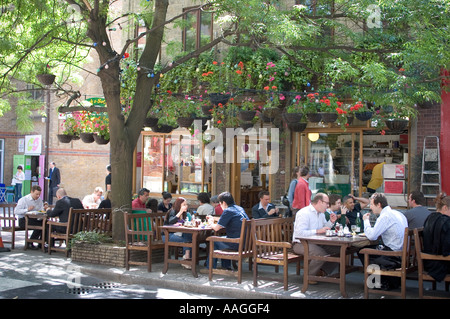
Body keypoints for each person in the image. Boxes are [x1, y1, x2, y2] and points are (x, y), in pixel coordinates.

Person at [359, 193, 408, 290]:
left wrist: (366, 221)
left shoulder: (385, 216)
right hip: (402, 252)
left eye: (372, 205)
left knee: (362, 251)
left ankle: (378, 283)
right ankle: (387, 281)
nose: (370, 207)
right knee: (370, 249)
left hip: (393, 255)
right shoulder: (398, 213)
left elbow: (372, 236)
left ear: (379, 205)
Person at [292, 193, 339, 281]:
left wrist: (331, 222)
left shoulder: (321, 214)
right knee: (320, 253)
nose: (328, 205)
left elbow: (324, 228)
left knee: (338, 250)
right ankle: (309, 277)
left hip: (317, 242)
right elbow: (299, 234)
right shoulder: (304, 213)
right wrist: (317, 231)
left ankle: (322, 271)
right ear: (319, 202)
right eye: (327, 203)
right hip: (300, 244)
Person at [206, 192, 249, 270]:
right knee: (223, 239)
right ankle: (226, 266)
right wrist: (214, 218)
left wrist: (211, 222)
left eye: (220, 203)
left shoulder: (228, 211)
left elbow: (216, 228)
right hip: (246, 243)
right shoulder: (239, 208)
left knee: (214, 240)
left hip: (237, 243)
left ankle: (210, 267)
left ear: (224, 203)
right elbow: (229, 219)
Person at [421, 193, 450, 282]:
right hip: (440, 264)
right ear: (445, 207)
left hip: (429, 262)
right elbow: (446, 249)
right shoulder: (445, 221)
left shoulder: (429, 218)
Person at [163, 197, 193, 267]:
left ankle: (186, 258)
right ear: (179, 205)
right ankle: (187, 259)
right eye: (184, 205)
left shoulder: (185, 214)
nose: (186, 206)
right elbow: (170, 221)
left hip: (179, 233)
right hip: (168, 235)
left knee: (189, 236)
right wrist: (180, 212)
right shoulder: (172, 211)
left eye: (186, 205)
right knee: (188, 241)